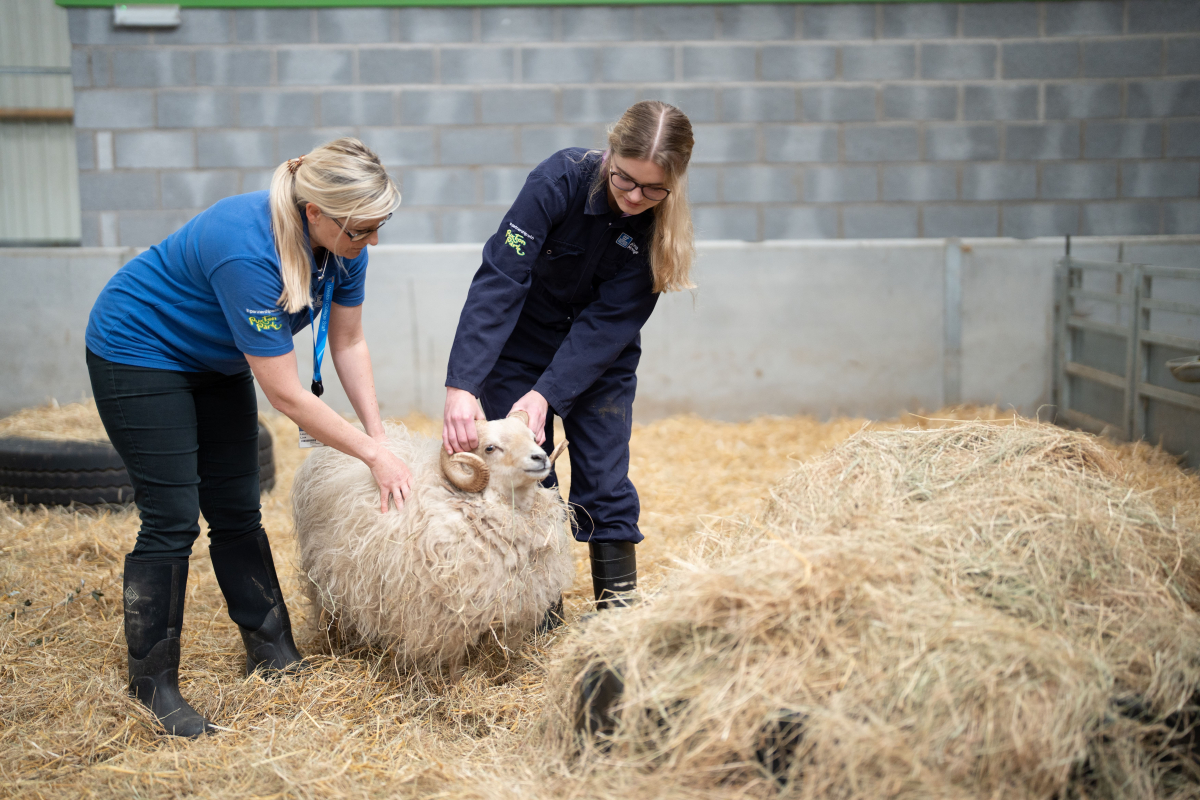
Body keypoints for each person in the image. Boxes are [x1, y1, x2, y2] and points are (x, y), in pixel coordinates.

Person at [85, 138, 413, 738]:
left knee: (237, 506)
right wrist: (368, 454)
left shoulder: (344, 243)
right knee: (174, 516)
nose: (372, 241)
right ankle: (152, 685)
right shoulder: (246, 245)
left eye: (378, 226)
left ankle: (272, 652)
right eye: (362, 229)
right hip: (140, 350)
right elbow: (287, 395)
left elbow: (348, 342)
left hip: (216, 360)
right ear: (315, 211)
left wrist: (379, 437)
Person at [442, 101, 696, 621]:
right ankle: (541, 613)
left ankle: (615, 617)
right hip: (519, 345)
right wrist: (464, 383)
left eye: (654, 190)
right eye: (625, 181)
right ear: (610, 154)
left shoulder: (657, 229)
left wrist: (548, 394)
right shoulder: (558, 179)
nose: (634, 198)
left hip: (598, 357)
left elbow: (609, 325)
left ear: (674, 183)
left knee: (605, 474)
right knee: (531, 477)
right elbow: (501, 278)